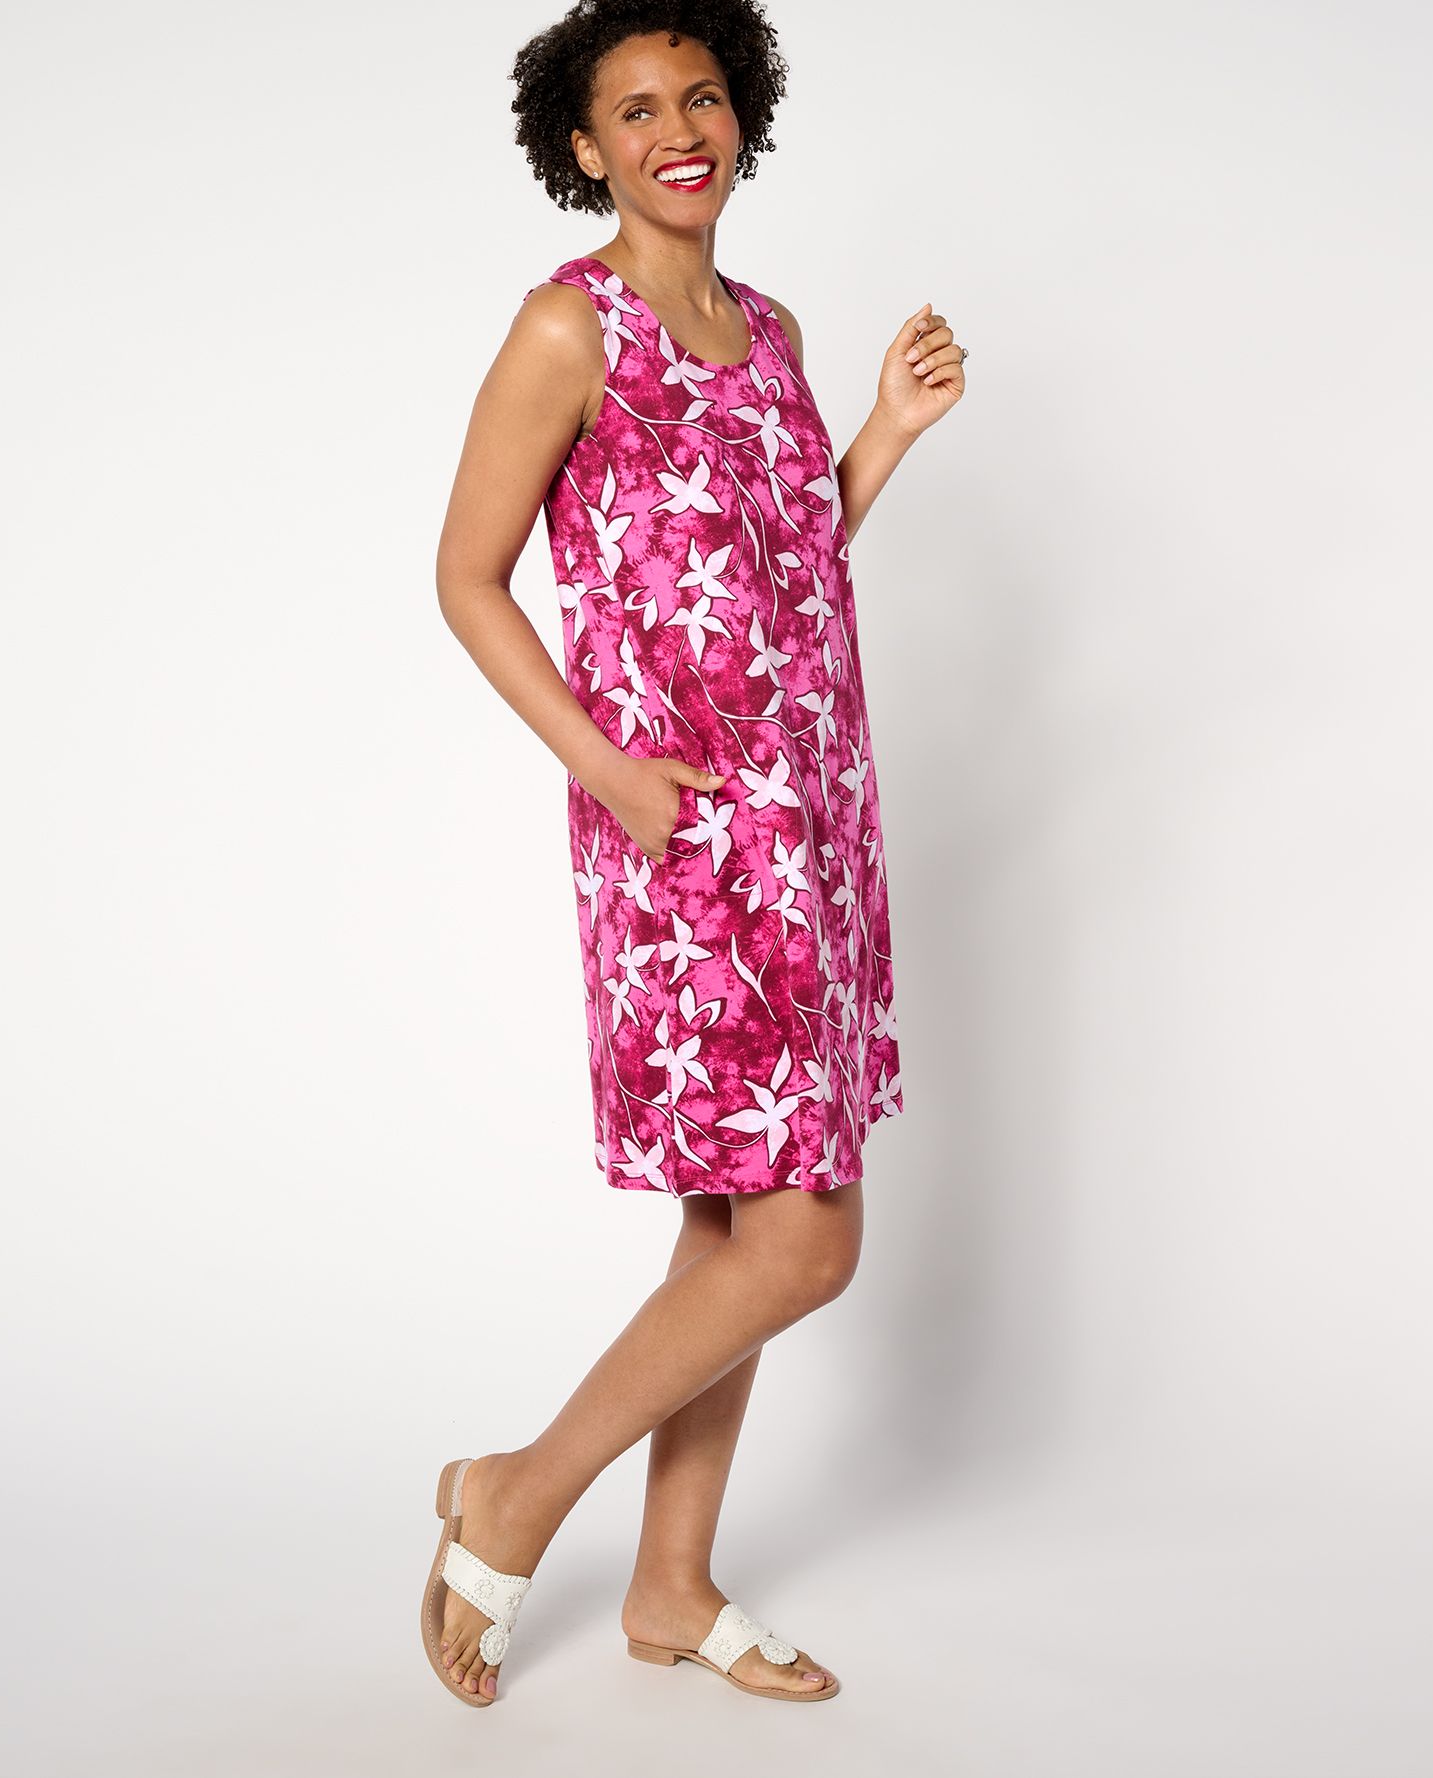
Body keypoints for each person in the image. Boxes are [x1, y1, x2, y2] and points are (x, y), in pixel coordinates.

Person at [426, 0, 965, 1707]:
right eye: (640, 108)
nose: (681, 129)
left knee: (738, 1223)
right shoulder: (563, 329)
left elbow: (788, 569)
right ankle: (515, 1495)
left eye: (706, 96)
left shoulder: (771, 329)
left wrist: (879, 434)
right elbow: (465, 578)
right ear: (583, 147)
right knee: (808, 1240)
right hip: (681, 845)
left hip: (814, 822)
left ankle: (669, 1584)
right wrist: (608, 770)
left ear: (745, 118)